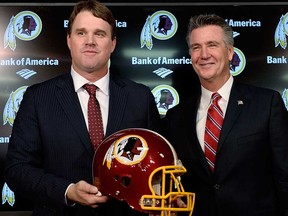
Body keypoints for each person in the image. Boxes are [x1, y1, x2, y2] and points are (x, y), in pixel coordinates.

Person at [4, 1, 161, 215]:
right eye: (81, 33)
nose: (90, 41)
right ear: (69, 40)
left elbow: (158, 167)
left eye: (99, 34)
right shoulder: (38, 98)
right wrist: (67, 191)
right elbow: (17, 169)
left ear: (113, 43)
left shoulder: (140, 97)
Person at [162, 14, 288, 216]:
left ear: (230, 52)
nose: (204, 55)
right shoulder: (176, 116)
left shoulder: (267, 104)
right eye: (196, 47)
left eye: (212, 45)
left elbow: (284, 176)